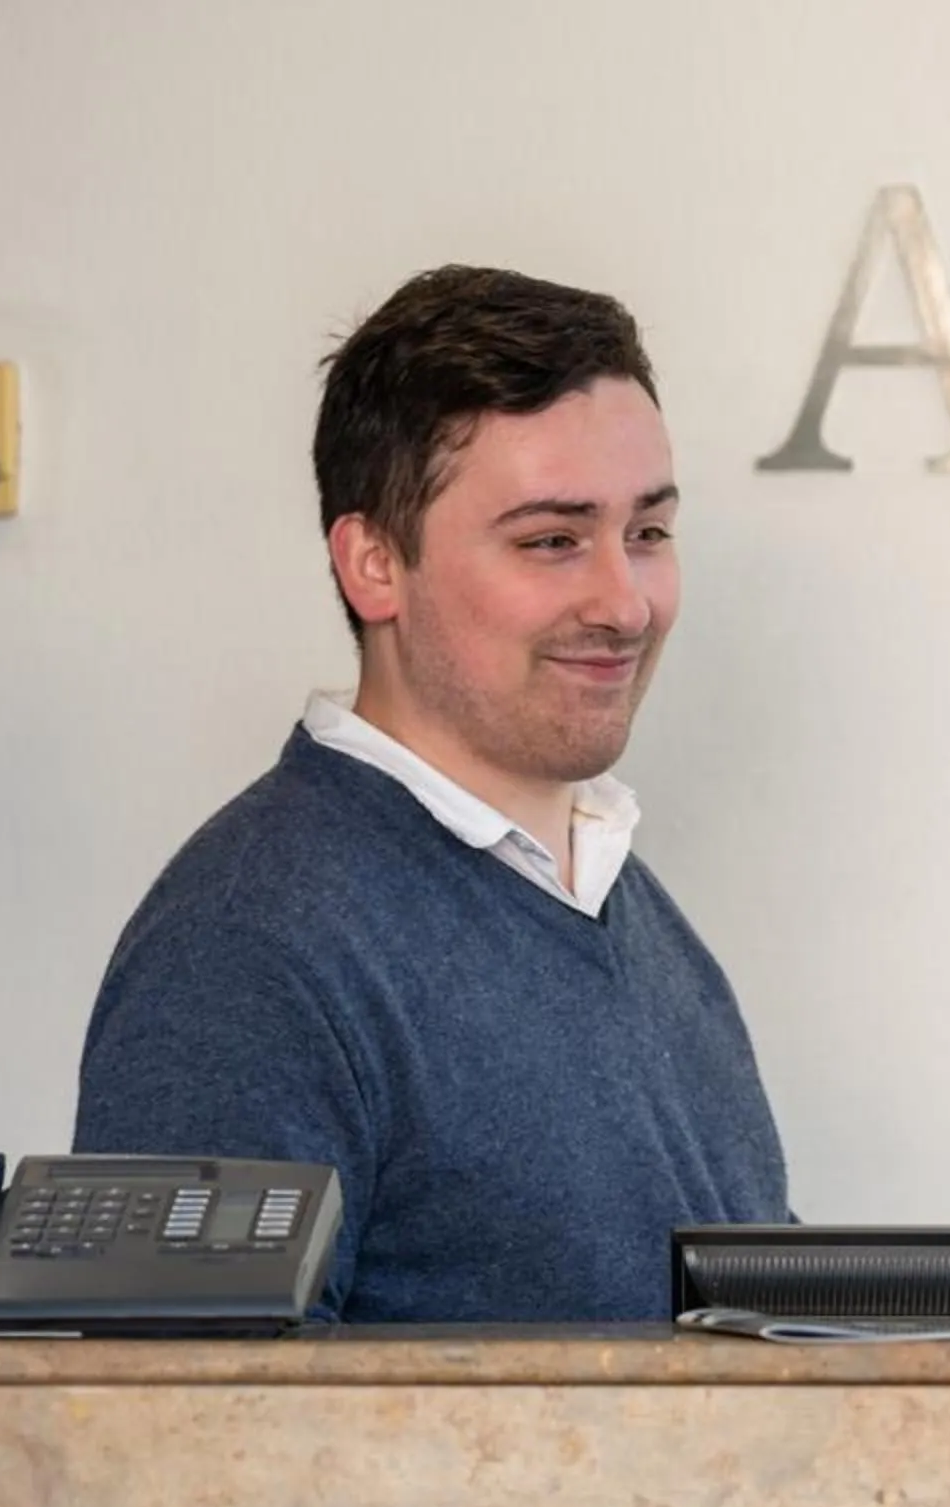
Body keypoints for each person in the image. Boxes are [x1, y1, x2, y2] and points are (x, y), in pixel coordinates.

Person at [76, 265, 788, 1323]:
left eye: (646, 533)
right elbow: (176, 1448)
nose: (624, 601)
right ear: (373, 565)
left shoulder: (637, 920)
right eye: (551, 540)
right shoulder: (248, 948)